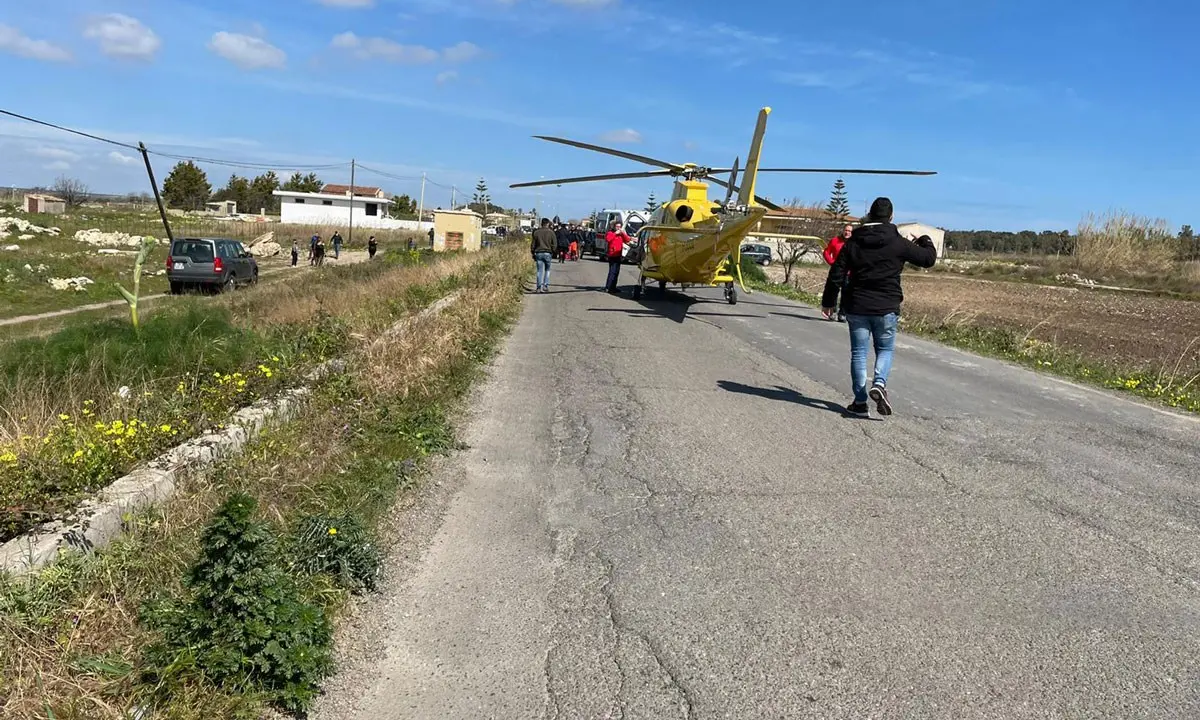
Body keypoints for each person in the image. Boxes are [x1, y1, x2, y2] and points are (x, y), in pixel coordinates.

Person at [821, 197, 936, 418]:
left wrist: (829, 302)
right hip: (887, 307)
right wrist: (924, 240)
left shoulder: (854, 242)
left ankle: (860, 402)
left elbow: (836, 273)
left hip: (857, 305)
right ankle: (879, 383)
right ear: (891, 217)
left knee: (858, 353)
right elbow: (927, 259)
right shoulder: (898, 243)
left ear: (870, 216)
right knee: (884, 349)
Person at [823, 224, 854, 322]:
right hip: (837, 271)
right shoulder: (835, 241)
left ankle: (842, 314)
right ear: (843, 230)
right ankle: (833, 311)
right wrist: (832, 262)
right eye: (846, 230)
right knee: (833, 291)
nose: (847, 232)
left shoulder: (854, 243)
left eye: (849, 231)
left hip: (849, 273)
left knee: (846, 293)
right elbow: (826, 252)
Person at [604, 220, 631, 293]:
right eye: (617, 226)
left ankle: (613, 287)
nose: (618, 228)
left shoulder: (621, 234)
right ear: (614, 227)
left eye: (619, 227)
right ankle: (608, 287)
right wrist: (615, 233)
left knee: (616, 272)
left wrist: (623, 233)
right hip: (612, 255)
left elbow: (627, 240)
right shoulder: (610, 233)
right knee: (612, 272)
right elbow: (608, 239)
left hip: (618, 255)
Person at [530, 217, 556, 293]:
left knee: (539, 271)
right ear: (548, 224)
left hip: (538, 253)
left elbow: (533, 244)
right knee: (547, 270)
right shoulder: (551, 232)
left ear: (541, 223)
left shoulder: (536, 232)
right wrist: (553, 251)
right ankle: (545, 286)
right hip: (548, 252)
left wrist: (533, 252)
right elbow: (554, 244)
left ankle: (538, 287)